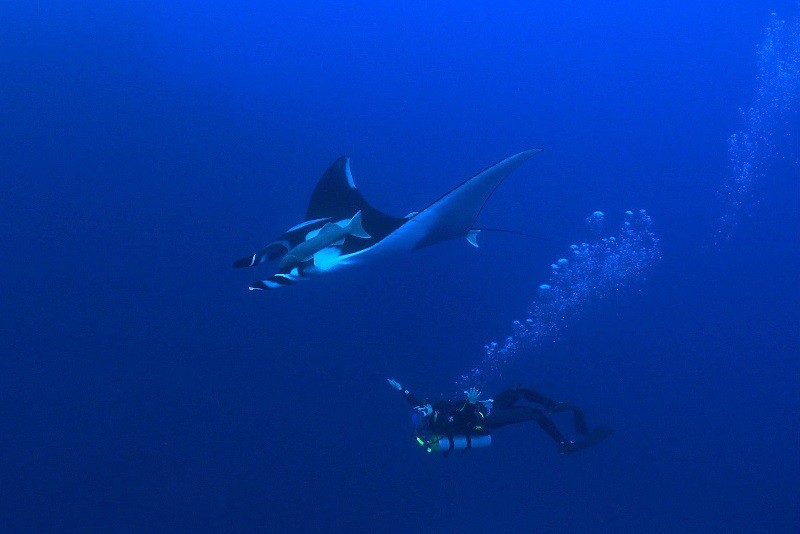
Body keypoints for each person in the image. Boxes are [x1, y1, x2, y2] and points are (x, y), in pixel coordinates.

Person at [387, 378, 612, 455]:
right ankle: (564, 444)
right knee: (534, 414)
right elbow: (464, 419)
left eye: (420, 410)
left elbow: (414, 400)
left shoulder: (432, 408)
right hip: (485, 419)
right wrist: (471, 403)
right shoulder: (442, 421)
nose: (421, 408)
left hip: (487, 407)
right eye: (421, 413)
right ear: (427, 420)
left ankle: (554, 406)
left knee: (519, 390)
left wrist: (400, 389)